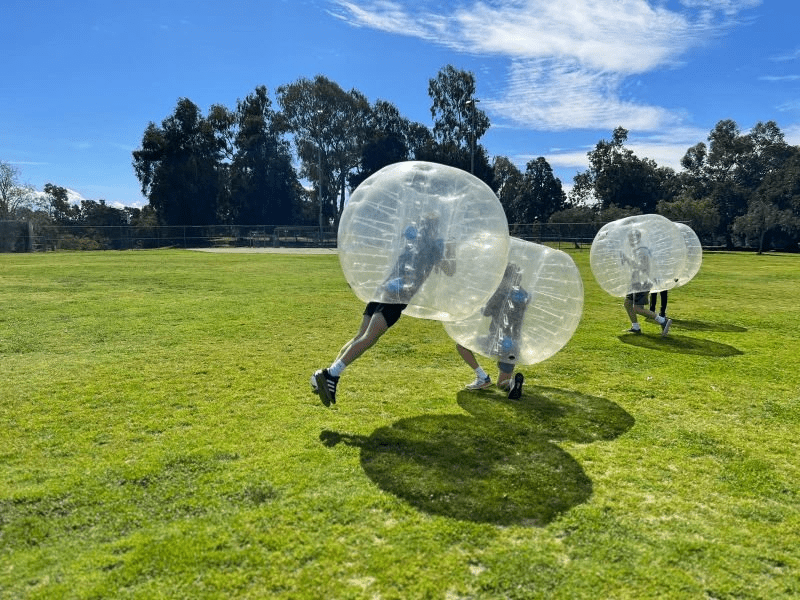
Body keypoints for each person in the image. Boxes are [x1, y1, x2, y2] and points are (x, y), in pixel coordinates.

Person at [312, 213, 456, 406]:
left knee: (360, 336)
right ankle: (331, 374)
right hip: (398, 295)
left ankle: (327, 376)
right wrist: (451, 248)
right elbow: (450, 270)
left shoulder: (414, 239)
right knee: (370, 337)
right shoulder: (433, 246)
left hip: (383, 290)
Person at [457, 263, 529, 399]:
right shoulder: (524, 295)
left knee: (462, 345)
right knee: (501, 384)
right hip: (514, 345)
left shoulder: (500, 293)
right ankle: (512, 383)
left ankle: (482, 377)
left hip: (498, 341)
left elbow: (485, 312)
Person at [621, 229, 672, 336]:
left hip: (642, 283)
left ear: (637, 238)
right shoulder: (636, 250)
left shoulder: (642, 251)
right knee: (627, 304)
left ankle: (663, 321)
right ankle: (636, 327)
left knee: (638, 309)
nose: (629, 241)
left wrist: (627, 259)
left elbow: (643, 268)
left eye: (631, 238)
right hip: (635, 282)